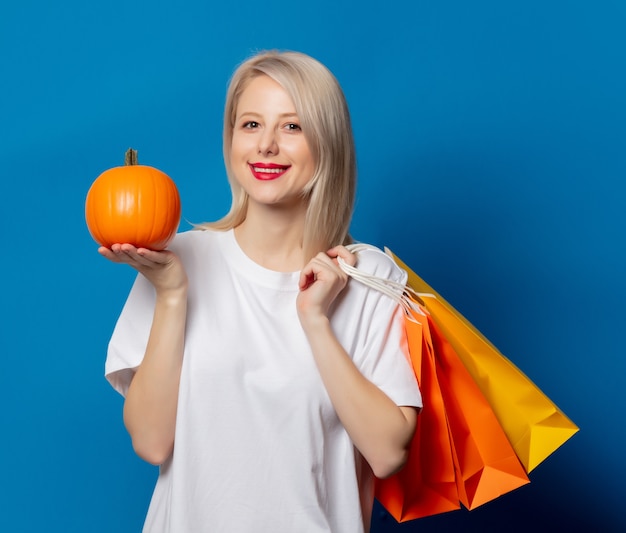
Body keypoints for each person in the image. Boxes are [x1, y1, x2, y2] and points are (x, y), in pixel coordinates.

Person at [100, 50, 422, 533]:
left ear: (327, 142)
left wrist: (315, 321)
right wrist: (170, 296)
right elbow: (150, 442)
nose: (266, 145)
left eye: (292, 127)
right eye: (250, 124)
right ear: (231, 139)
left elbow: (386, 452)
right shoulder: (177, 259)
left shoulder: (369, 275)